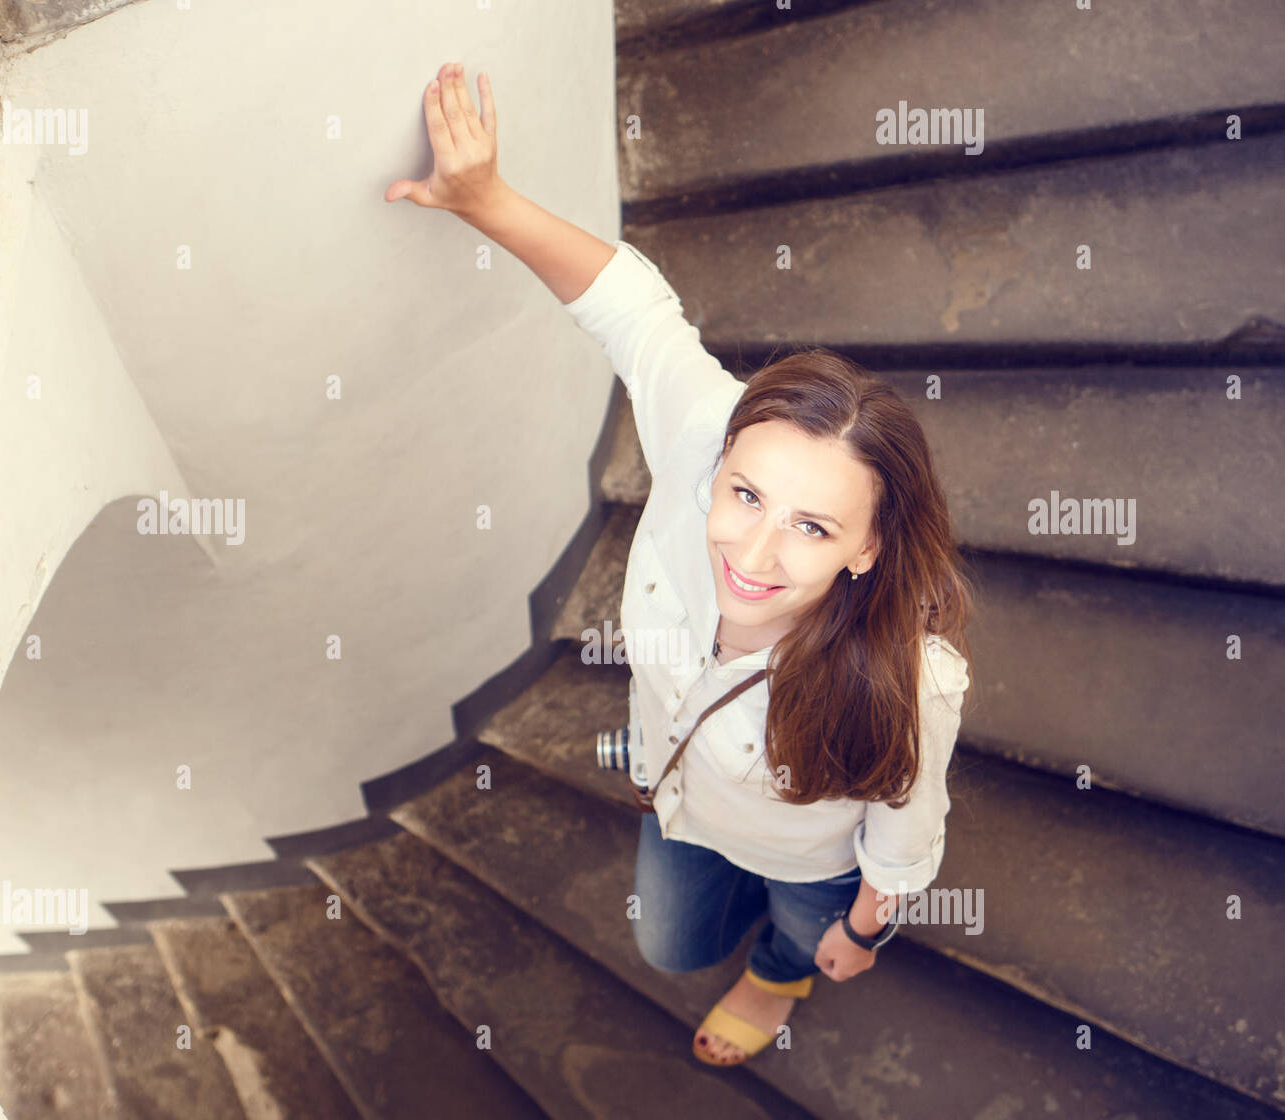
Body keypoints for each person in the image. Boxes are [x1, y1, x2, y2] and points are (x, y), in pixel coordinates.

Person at [388, 62, 974, 1068]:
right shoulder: (704, 431)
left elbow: (904, 827)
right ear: (721, 459)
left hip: (807, 859)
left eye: (812, 528)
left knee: (788, 930)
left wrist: (860, 928)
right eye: (744, 494)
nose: (751, 553)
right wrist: (484, 201)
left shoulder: (912, 680)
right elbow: (629, 308)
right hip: (679, 798)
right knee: (670, 943)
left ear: (869, 548)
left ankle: (780, 969)